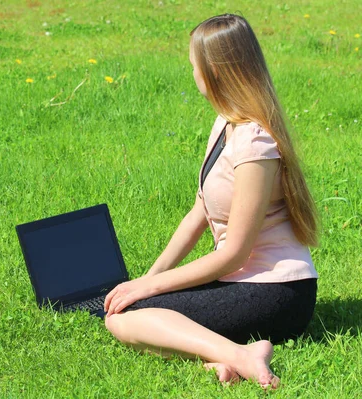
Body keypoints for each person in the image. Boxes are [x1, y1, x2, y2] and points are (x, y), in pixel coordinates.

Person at [103, 14, 319, 389]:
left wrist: (149, 290)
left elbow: (234, 253)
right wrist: (148, 280)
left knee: (124, 320)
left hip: (276, 293)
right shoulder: (226, 124)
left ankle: (241, 356)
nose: (192, 73)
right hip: (240, 282)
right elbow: (199, 212)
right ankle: (221, 356)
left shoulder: (255, 144)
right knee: (135, 309)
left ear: (214, 70)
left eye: (193, 65)